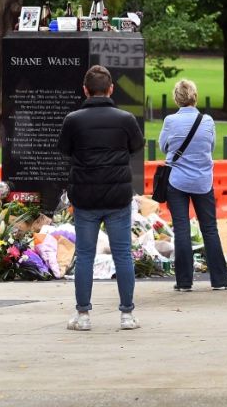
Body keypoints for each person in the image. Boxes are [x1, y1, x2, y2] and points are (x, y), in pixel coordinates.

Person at [59, 64, 144, 331]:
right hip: (117, 194)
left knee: (84, 255)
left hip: (85, 194)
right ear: (110, 89)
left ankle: (83, 314)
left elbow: (65, 150)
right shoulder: (125, 119)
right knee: (122, 254)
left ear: (85, 90)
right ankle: (127, 314)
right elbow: (136, 146)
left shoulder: (73, 119)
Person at [158, 78, 227, 292]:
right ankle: (219, 279)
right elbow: (212, 146)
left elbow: (163, 147)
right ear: (195, 97)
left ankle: (183, 281)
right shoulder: (207, 120)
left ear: (176, 98)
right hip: (202, 180)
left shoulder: (170, 121)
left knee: (181, 229)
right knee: (209, 229)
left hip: (177, 180)